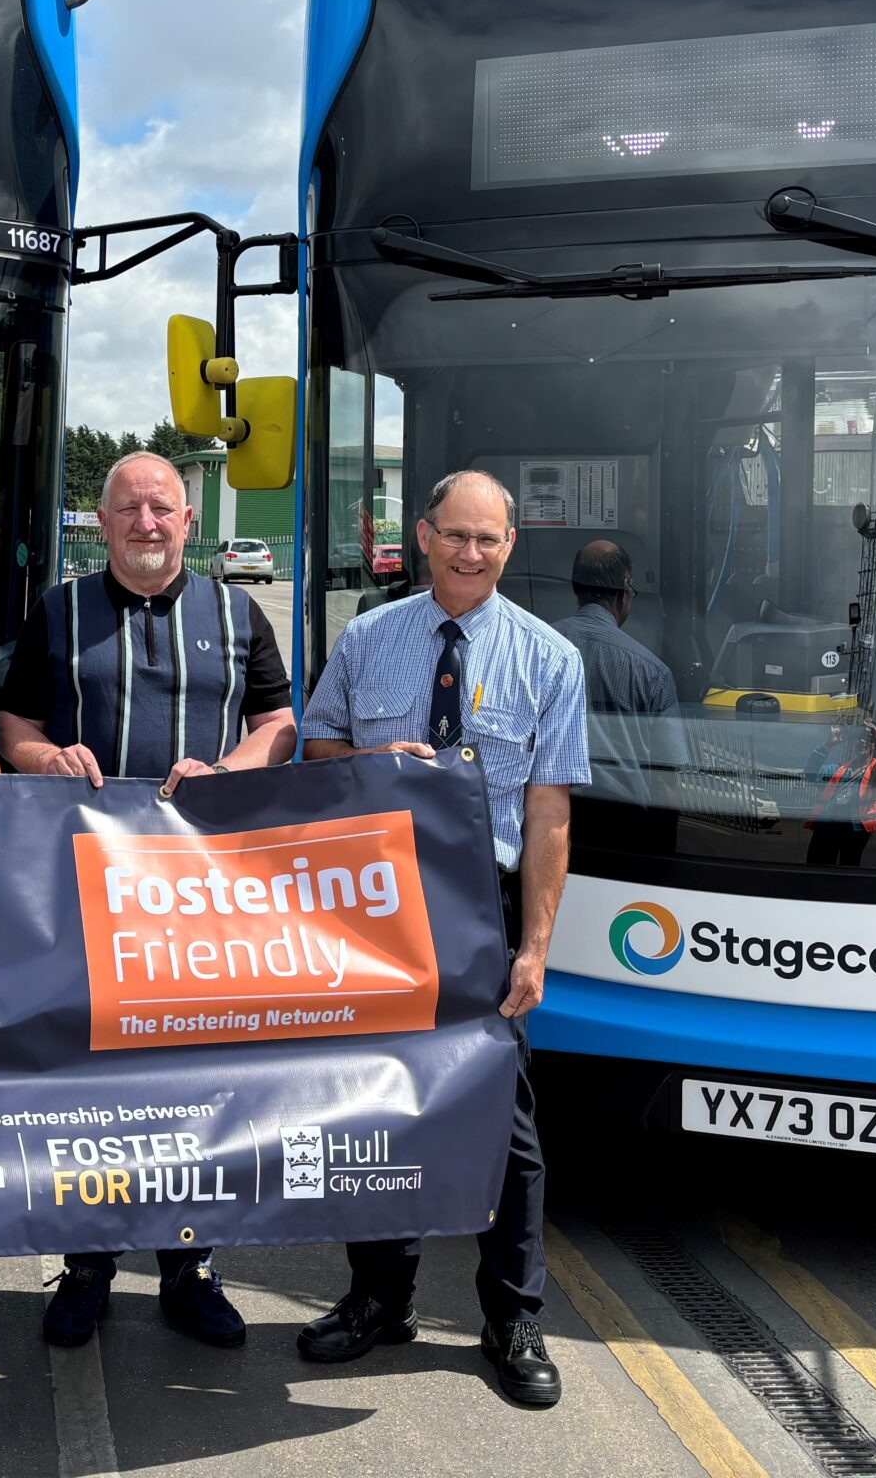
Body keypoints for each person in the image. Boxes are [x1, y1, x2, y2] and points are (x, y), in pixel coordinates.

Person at [295, 468, 584, 1410]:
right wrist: (374, 761)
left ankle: (512, 1318)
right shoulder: (370, 637)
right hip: (375, 903)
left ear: (510, 545)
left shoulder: (550, 660)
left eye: (488, 540)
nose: (470, 553)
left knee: (506, 1119)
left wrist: (533, 946)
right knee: (376, 1104)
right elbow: (319, 749)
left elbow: (548, 817)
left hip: (480, 909)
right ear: (423, 535)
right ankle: (381, 1298)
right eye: (454, 535)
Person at [0, 451, 296, 1350]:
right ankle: (85, 1264)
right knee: (91, 1083)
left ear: (189, 522)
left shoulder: (240, 613)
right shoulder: (59, 610)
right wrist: (45, 759)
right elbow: (12, 723)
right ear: (101, 522)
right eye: (128, 509)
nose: (147, 523)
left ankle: (189, 1266)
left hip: (199, 898)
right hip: (84, 887)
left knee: (195, 1085)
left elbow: (279, 722)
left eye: (163, 508)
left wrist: (228, 773)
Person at [555, 538, 682, 844]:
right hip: (624, 832)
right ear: (625, 589)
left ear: (576, 588)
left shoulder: (534, 649)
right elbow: (667, 783)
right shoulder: (651, 672)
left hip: (547, 820)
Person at [804, 716, 876, 866]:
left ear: (874, 742)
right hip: (828, 825)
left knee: (848, 871)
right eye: (859, 737)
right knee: (817, 870)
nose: (862, 742)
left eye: (868, 737)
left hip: (856, 829)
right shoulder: (840, 769)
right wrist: (829, 744)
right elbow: (811, 774)